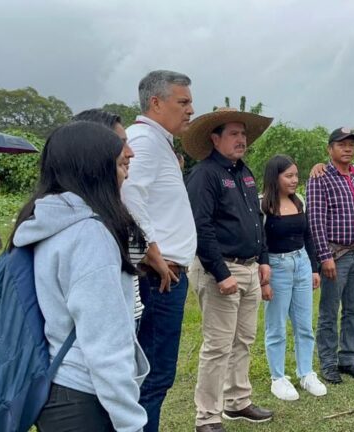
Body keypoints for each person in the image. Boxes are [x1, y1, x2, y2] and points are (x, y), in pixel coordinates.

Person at [12, 121, 149, 431]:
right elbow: (105, 344)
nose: (125, 170)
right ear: (95, 169)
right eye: (118, 163)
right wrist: (131, 423)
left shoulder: (46, 220)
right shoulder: (90, 236)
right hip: (84, 395)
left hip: (55, 383)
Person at [184, 107, 274, 431]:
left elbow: (256, 220)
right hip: (221, 268)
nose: (242, 140)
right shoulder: (205, 174)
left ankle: (237, 401)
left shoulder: (244, 172)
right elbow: (200, 226)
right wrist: (220, 273)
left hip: (249, 268)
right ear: (215, 138)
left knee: (244, 340)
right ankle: (207, 416)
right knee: (218, 345)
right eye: (234, 134)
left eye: (244, 134)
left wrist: (263, 260)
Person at [120, 70, 197, 431]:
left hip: (166, 272)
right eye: (182, 102)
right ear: (156, 102)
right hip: (159, 275)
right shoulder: (144, 140)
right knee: (153, 374)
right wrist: (152, 253)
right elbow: (128, 194)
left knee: (156, 373)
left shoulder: (157, 141)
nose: (190, 110)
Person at [307, 128, 354, 385]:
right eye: (341, 144)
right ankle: (327, 362)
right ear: (330, 148)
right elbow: (315, 219)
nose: (347, 149)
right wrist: (324, 256)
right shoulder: (320, 177)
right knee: (329, 311)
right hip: (336, 254)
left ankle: (348, 358)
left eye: (351, 145)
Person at [260, 155, 326, 401]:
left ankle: (306, 372)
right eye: (288, 176)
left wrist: (314, 268)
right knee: (276, 326)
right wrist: (264, 277)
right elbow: (262, 243)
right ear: (274, 178)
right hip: (277, 267)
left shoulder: (299, 202)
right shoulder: (263, 207)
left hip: (301, 264)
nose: (294, 180)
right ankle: (278, 377)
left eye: (296, 175)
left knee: (304, 324)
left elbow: (308, 236)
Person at [73, 108, 146, 325]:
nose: (130, 152)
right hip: (112, 328)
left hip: (128, 317)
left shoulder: (110, 205)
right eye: (121, 144)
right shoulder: (85, 219)